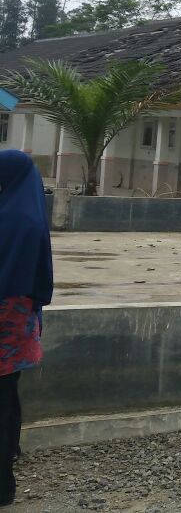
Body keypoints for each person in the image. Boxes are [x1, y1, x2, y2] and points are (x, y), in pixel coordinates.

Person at [0, 151, 53, 506]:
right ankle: (5, 478)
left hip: (7, 316)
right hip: (17, 319)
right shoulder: (32, 218)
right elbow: (42, 281)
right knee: (7, 395)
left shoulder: (6, 215)